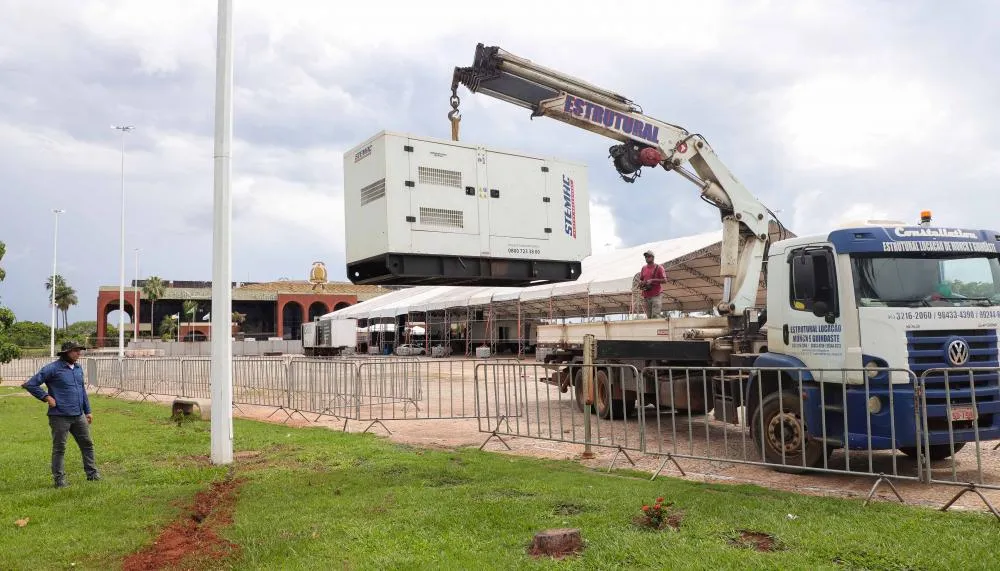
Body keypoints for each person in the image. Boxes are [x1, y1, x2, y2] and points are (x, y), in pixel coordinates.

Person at [21, 341, 100, 488]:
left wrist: (88, 411)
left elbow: (82, 391)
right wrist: (46, 397)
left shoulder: (77, 368)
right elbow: (30, 384)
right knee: (59, 449)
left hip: (79, 415)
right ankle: (60, 481)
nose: (79, 353)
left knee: (87, 444)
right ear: (66, 352)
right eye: (75, 351)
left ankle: (93, 475)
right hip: (59, 416)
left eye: (79, 350)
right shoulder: (52, 369)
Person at [639, 250, 666, 318]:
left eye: (648, 256)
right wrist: (641, 283)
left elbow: (665, 280)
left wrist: (652, 280)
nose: (646, 258)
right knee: (649, 317)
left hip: (656, 295)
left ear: (653, 257)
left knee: (655, 315)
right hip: (646, 295)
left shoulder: (659, 267)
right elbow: (641, 279)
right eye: (645, 257)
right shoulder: (643, 268)